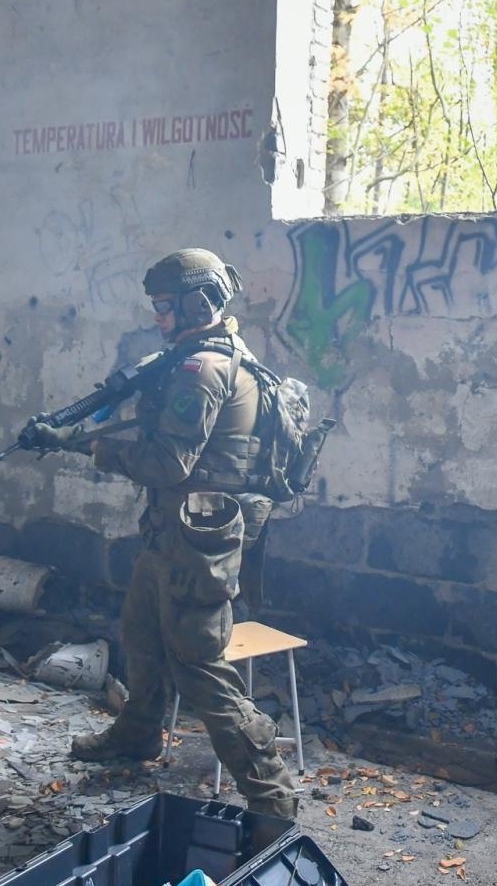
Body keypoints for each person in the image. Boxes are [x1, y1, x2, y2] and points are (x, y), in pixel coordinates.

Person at [24, 248, 298, 819]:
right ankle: (140, 733)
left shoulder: (202, 370)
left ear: (199, 303)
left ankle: (271, 794)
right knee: (141, 634)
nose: (158, 316)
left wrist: (91, 447)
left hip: (195, 545)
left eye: (166, 305)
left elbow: (167, 465)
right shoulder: (204, 354)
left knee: (199, 666)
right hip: (174, 533)